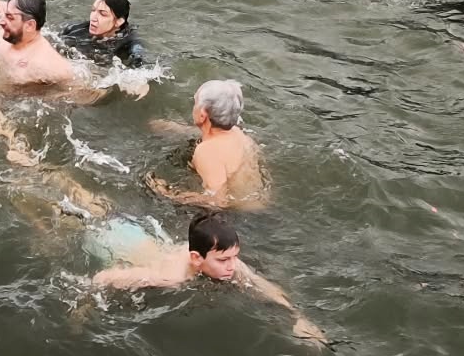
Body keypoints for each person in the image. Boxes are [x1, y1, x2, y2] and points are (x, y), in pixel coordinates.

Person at [92, 212, 324, 342]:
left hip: (143, 235)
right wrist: (84, 308)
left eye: (235, 257)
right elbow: (104, 278)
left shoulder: (228, 260)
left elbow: (263, 286)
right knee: (81, 216)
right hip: (111, 240)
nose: (233, 266)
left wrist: (298, 317)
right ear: (196, 258)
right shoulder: (170, 277)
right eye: (223, 261)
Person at [145, 79, 268, 208]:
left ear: (203, 114)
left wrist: (167, 193)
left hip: (238, 216)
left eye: (195, 103)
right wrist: (174, 129)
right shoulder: (239, 134)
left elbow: (218, 201)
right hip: (257, 207)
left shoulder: (207, 152)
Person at [0, 0, 77, 88]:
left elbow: (79, 91)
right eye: (5, 15)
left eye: (10, 17)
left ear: (30, 25)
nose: (1, 22)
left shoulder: (50, 66)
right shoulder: (0, 36)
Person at [57, 0, 149, 66]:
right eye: (93, 10)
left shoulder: (130, 45)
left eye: (103, 14)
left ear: (119, 21)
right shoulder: (74, 29)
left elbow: (141, 69)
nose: (93, 18)